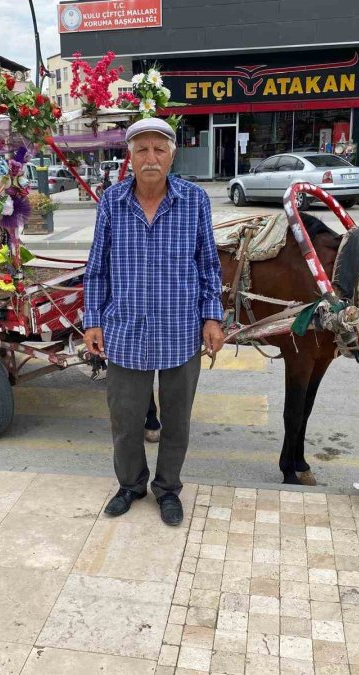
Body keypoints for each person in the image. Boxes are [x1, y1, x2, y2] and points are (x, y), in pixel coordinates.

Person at [83, 117, 225, 525]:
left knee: (176, 421)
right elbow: (98, 268)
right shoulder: (112, 201)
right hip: (125, 329)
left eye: (158, 149)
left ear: (171, 155)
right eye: (141, 149)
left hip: (180, 329)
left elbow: (208, 264)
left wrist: (212, 315)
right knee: (126, 420)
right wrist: (93, 321)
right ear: (129, 156)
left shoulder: (194, 199)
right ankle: (130, 485)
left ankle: (168, 489)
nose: (150, 158)